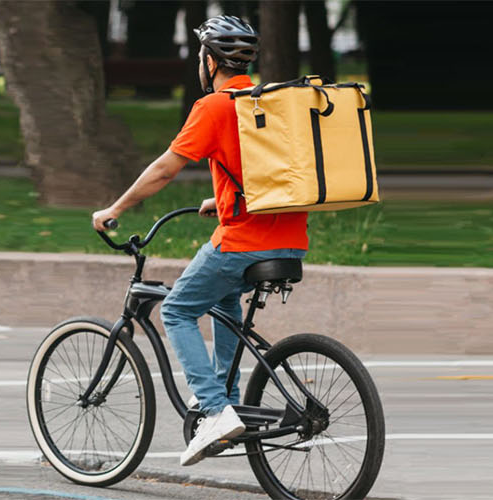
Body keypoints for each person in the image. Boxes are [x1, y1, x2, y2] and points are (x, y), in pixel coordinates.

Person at [89, 15, 309, 467]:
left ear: (209, 61)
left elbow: (165, 169)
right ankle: (228, 400)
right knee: (223, 302)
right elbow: (273, 173)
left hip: (245, 242)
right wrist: (223, 197)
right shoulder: (267, 104)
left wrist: (115, 209)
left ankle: (213, 412)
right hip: (291, 239)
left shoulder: (214, 106)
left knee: (176, 308)